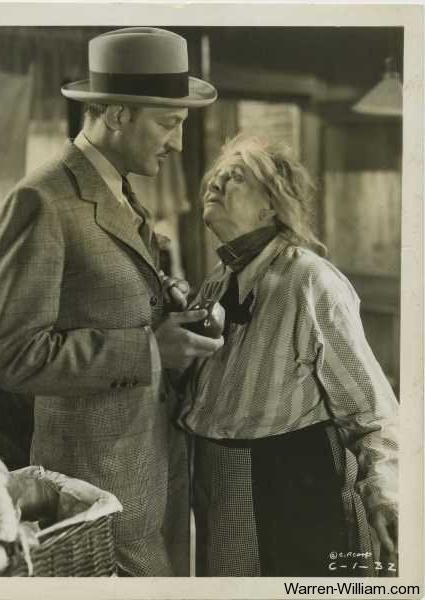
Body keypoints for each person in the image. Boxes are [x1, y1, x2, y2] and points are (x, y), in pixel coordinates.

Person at [0, 27, 223, 577]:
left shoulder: (121, 190)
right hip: (96, 489)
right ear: (117, 114)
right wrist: (150, 349)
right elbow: (10, 357)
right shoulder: (42, 200)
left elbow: (110, 300)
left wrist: (169, 311)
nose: (178, 143)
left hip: (153, 468)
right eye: (168, 123)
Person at [179, 134, 399, 577]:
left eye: (235, 177)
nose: (215, 183)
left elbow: (372, 412)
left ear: (271, 206)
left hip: (296, 496)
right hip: (222, 495)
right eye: (216, 176)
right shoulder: (217, 283)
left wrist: (385, 496)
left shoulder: (310, 281)